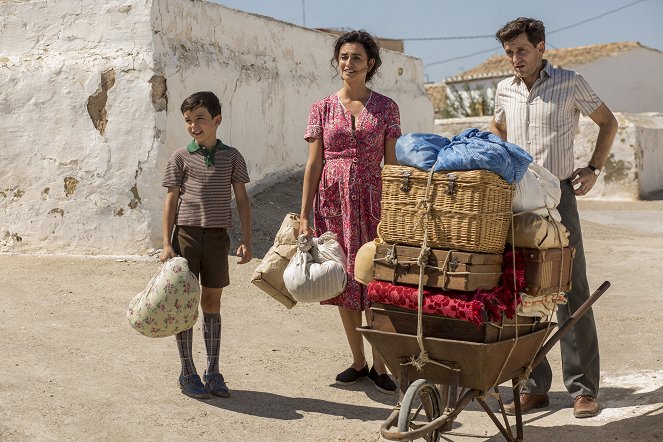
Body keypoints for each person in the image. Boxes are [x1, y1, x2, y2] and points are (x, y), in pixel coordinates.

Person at [489, 17, 618, 418]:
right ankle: (532, 385)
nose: (515, 59)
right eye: (509, 53)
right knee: (522, 288)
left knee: (569, 288)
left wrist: (594, 167)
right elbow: (498, 127)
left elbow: (607, 122)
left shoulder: (570, 81)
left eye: (522, 51)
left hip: (558, 195)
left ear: (541, 47)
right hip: (517, 199)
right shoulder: (503, 89)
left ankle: (583, 389)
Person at [299, 30, 401, 394]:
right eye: (343, 57)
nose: (348, 63)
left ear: (370, 63)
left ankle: (380, 365)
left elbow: (391, 164)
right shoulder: (322, 108)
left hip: (375, 203)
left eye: (356, 57)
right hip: (332, 202)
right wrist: (305, 214)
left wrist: (396, 211)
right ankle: (358, 362)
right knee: (343, 281)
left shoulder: (387, 107)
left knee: (377, 280)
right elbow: (313, 164)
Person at [160, 91, 253, 398]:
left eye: (200, 118)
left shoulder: (232, 156)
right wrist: (166, 243)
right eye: (188, 120)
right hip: (185, 237)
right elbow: (171, 200)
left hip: (217, 239)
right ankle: (187, 371)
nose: (194, 125)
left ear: (217, 120)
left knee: (212, 304)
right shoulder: (180, 157)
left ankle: (213, 371)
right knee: (185, 306)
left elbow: (241, 199)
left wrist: (246, 240)